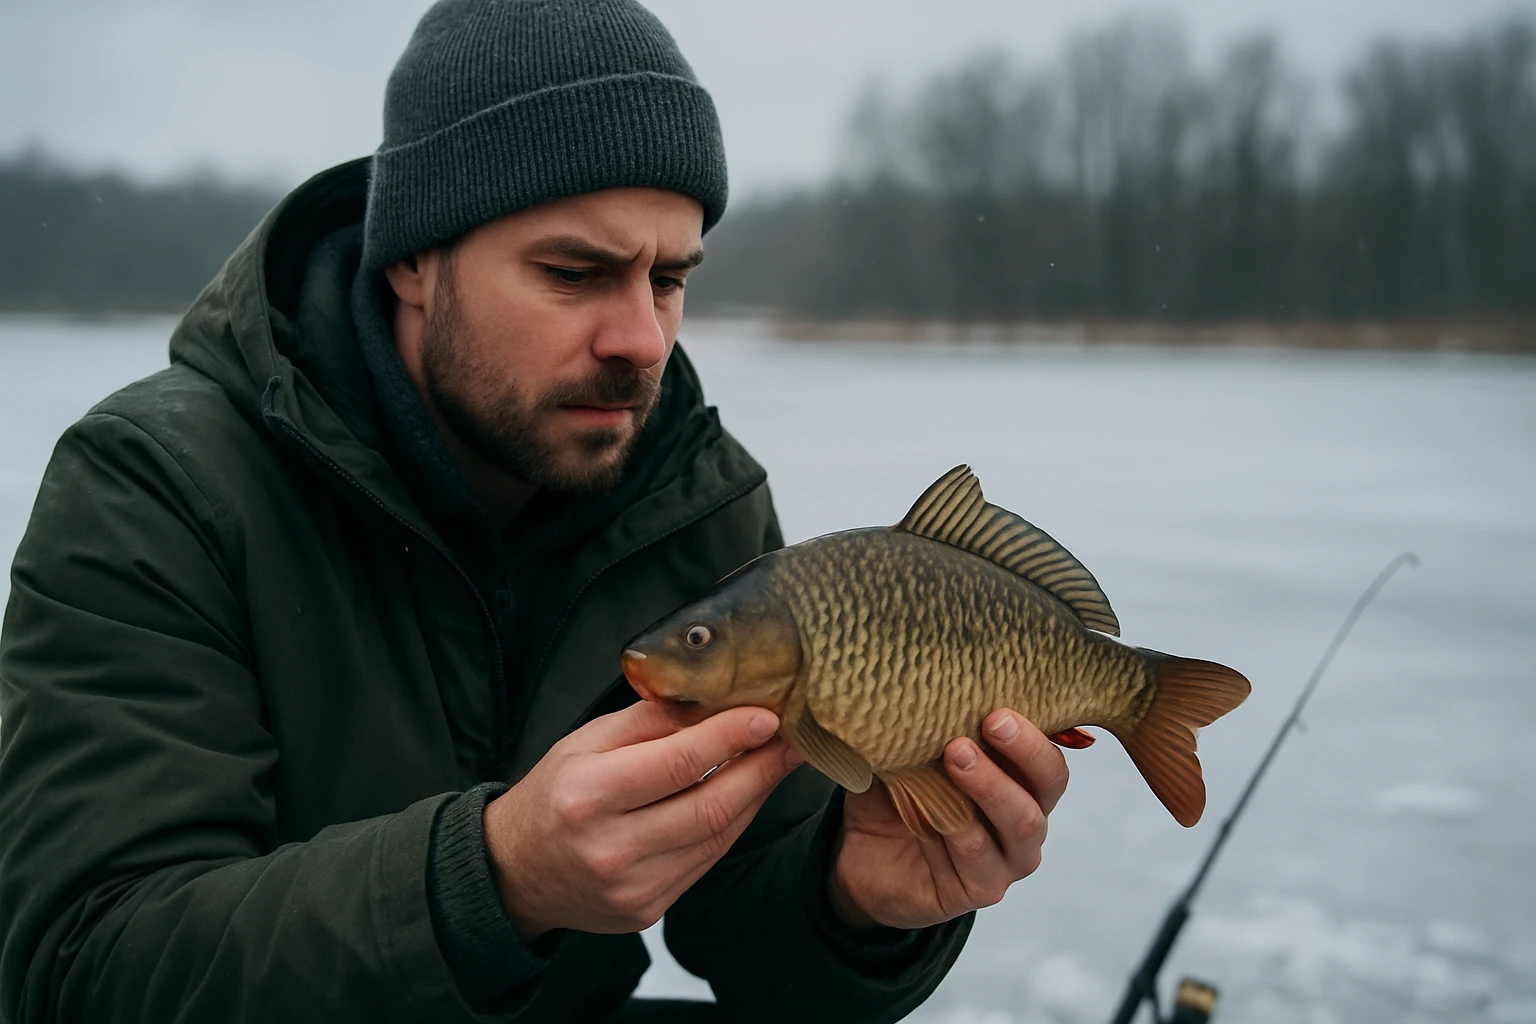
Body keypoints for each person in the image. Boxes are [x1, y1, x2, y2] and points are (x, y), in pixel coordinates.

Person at [0, 1, 1070, 1021]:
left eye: (669, 279)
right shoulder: (157, 486)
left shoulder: (698, 501)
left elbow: (758, 951)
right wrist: (492, 882)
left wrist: (856, 904)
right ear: (414, 258)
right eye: (575, 272)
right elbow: (86, 970)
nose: (642, 340)